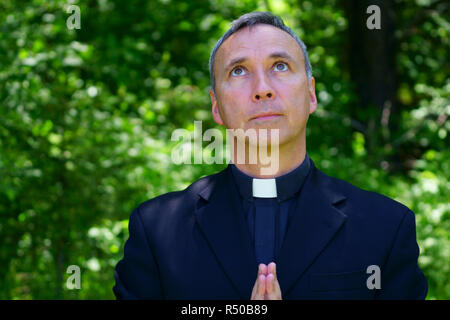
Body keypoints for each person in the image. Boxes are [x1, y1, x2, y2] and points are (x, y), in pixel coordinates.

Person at [113, 11, 427, 300]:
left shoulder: (385, 228)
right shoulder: (156, 232)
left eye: (280, 66)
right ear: (215, 106)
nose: (262, 88)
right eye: (238, 71)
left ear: (311, 93)